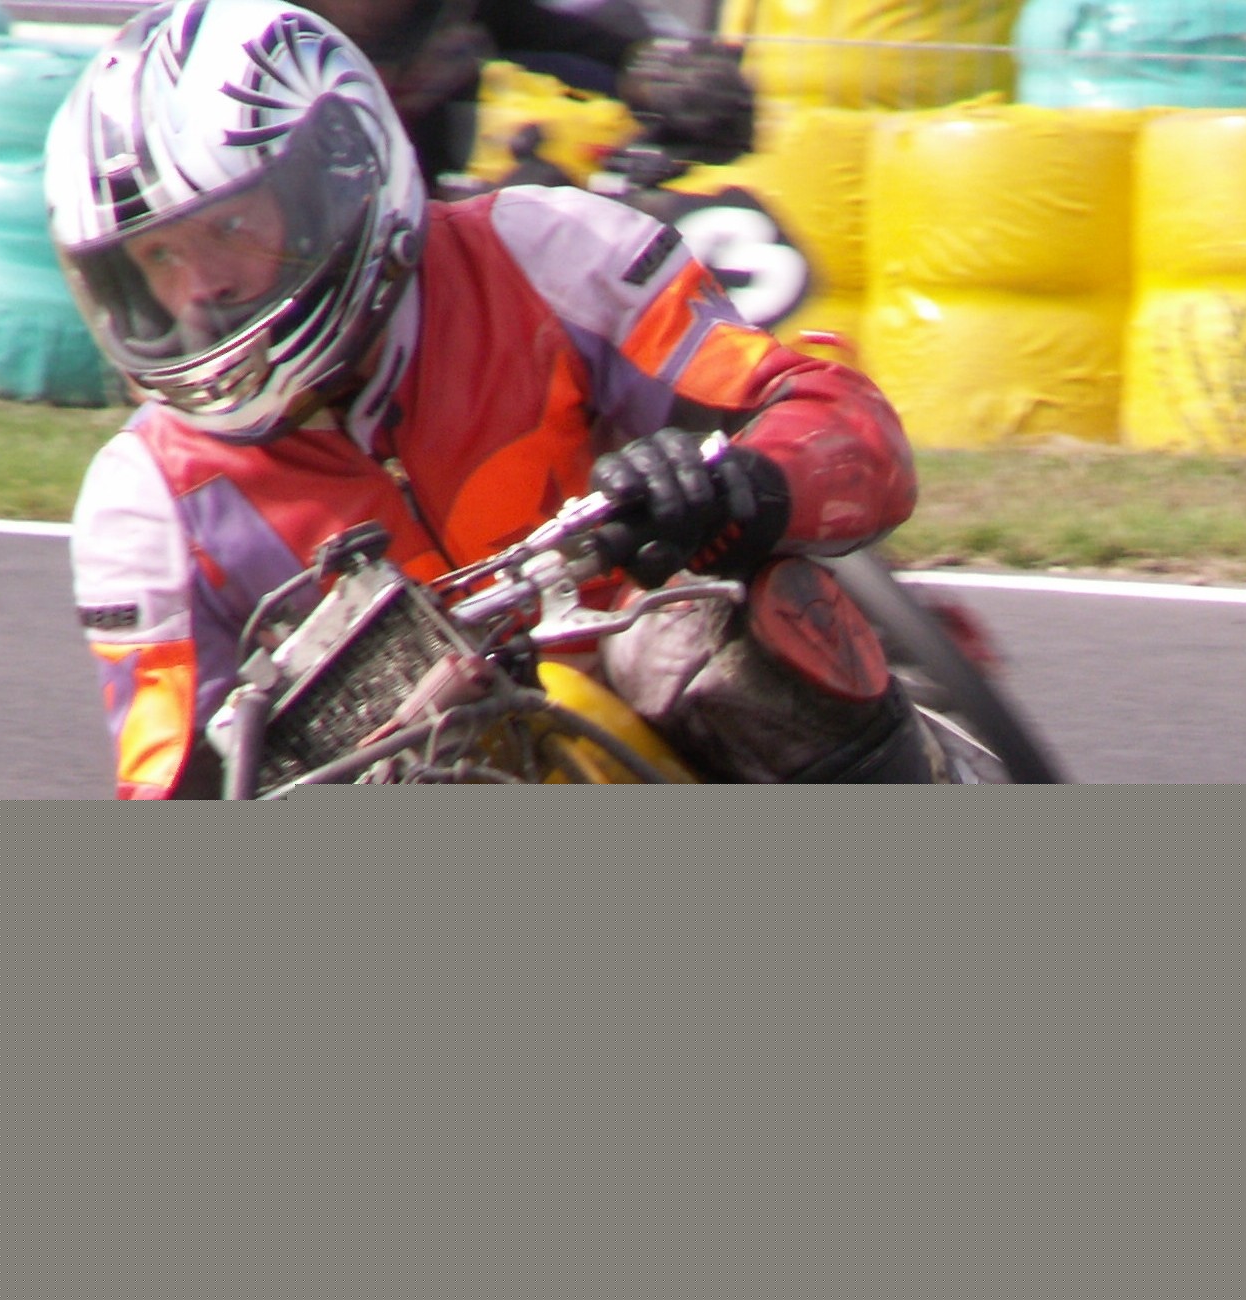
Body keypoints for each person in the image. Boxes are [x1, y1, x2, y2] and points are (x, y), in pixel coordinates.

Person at [46, 0, 929, 796]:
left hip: (636, 664)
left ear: (337, 172)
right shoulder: (141, 502)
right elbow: (166, 782)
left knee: (729, 643)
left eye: (230, 229)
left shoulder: (549, 253)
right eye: (158, 259)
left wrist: (743, 483)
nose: (198, 287)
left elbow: (843, 422)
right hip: (410, 778)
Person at [307, 0, 757, 183]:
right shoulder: (269, 38)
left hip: (431, 229)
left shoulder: (464, 10)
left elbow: (589, 46)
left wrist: (669, 79)